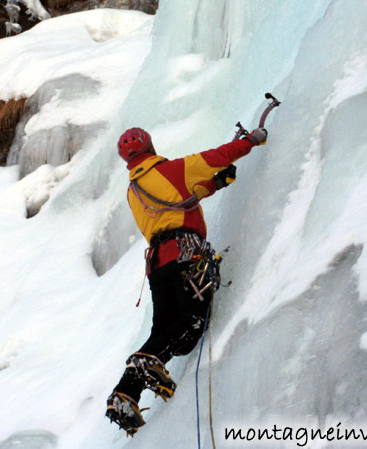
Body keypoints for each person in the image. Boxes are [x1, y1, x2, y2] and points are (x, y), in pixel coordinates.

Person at [105, 126, 268, 435]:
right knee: (193, 321)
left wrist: (216, 184)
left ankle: (126, 393)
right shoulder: (171, 169)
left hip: (158, 264)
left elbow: (179, 201)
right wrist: (250, 141)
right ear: (149, 145)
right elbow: (217, 156)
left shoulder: (134, 190)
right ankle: (147, 363)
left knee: (165, 330)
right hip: (183, 254)